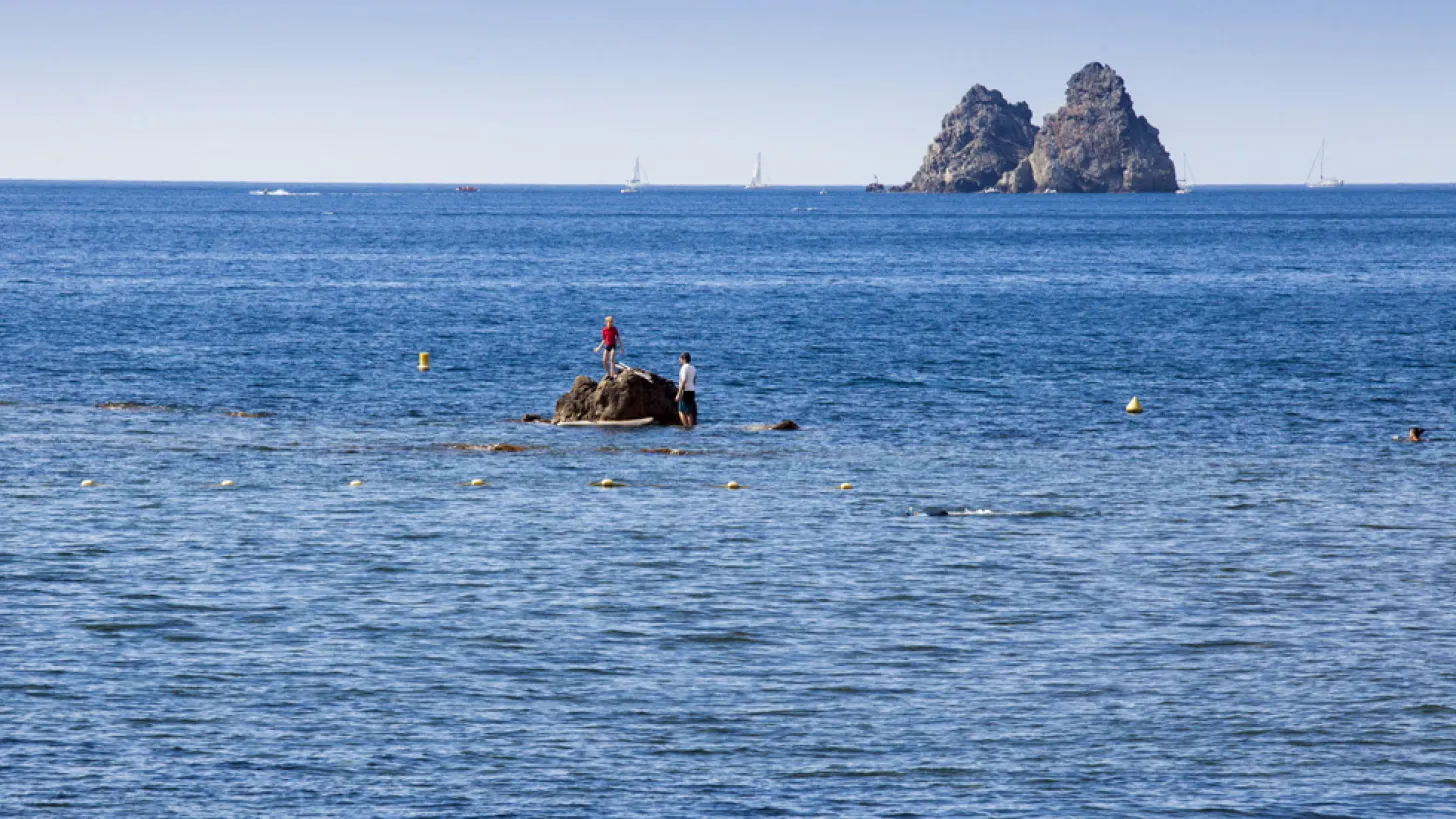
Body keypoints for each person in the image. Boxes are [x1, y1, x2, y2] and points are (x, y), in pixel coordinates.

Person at [676, 352, 697, 428]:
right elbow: (694, 380)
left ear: (684, 359)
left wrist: (679, 393)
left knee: (681, 411)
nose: (679, 359)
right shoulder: (693, 368)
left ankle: (685, 426)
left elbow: (684, 380)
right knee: (689, 412)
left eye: (680, 358)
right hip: (692, 390)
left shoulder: (684, 368)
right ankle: (690, 427)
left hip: (685, 391)